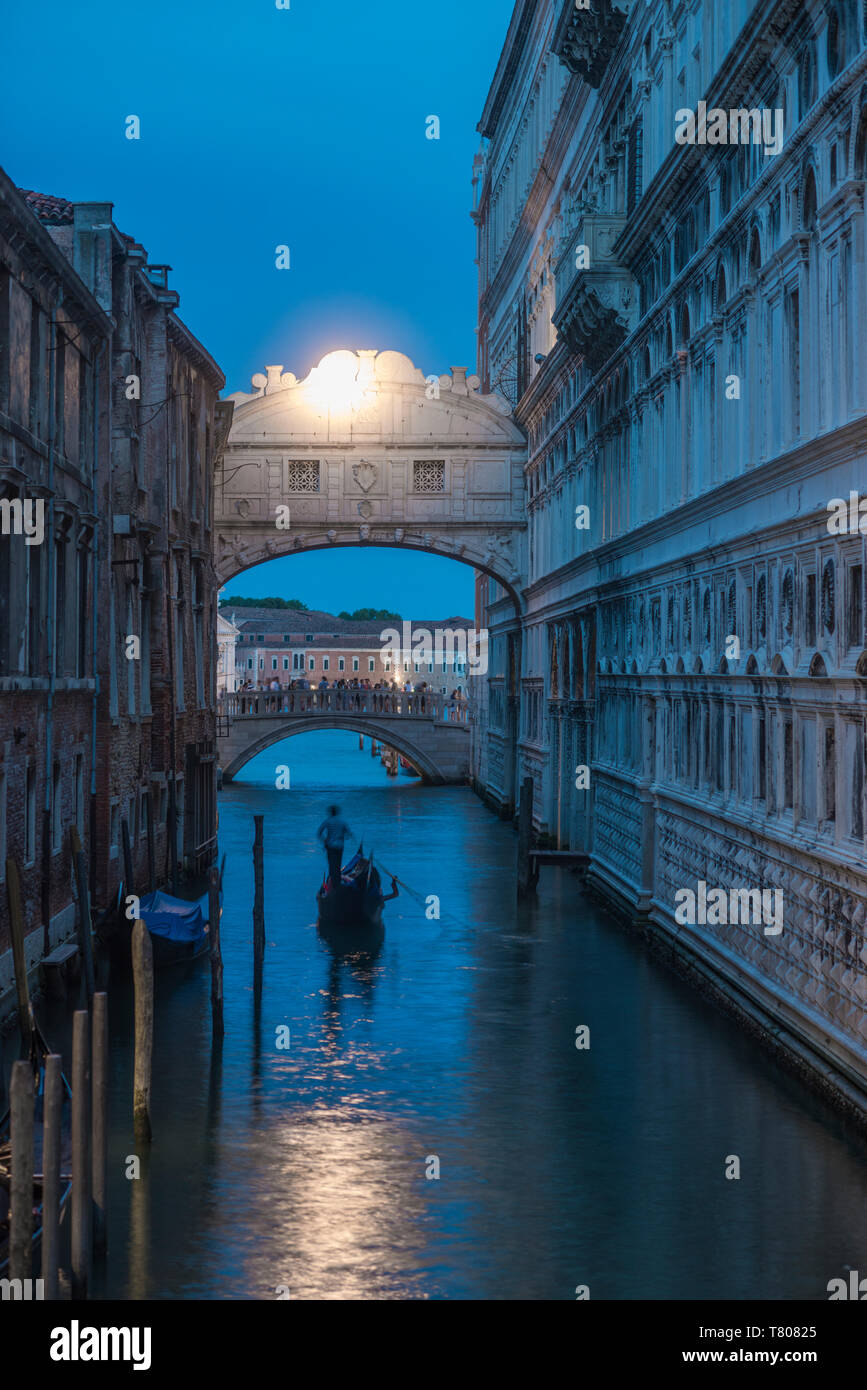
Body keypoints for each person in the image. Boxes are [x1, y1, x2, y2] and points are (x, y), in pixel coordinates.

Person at [317, 804, 354, 888]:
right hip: (340, 846)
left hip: (330, 845)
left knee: (331, 864)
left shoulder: (327, 821)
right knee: (337, 865)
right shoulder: (342, 822)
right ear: (337, 812)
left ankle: (332, 884)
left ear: (330, 813)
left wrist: (324, 841)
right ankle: (337, 883)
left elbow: (319, 833)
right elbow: (349, 834)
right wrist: (343, 836)